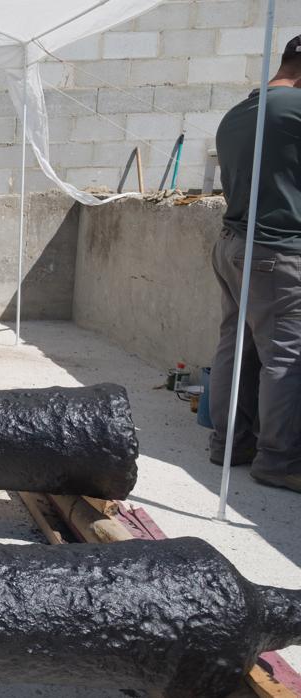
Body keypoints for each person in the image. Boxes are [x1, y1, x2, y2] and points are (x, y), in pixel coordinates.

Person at [208, 35, 301, 493]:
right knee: (285, 356)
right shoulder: (294, 111)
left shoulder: (238, 112)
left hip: (233, 245)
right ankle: (279, 460)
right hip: (276, 252)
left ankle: (229, 442)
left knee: (236, 347)